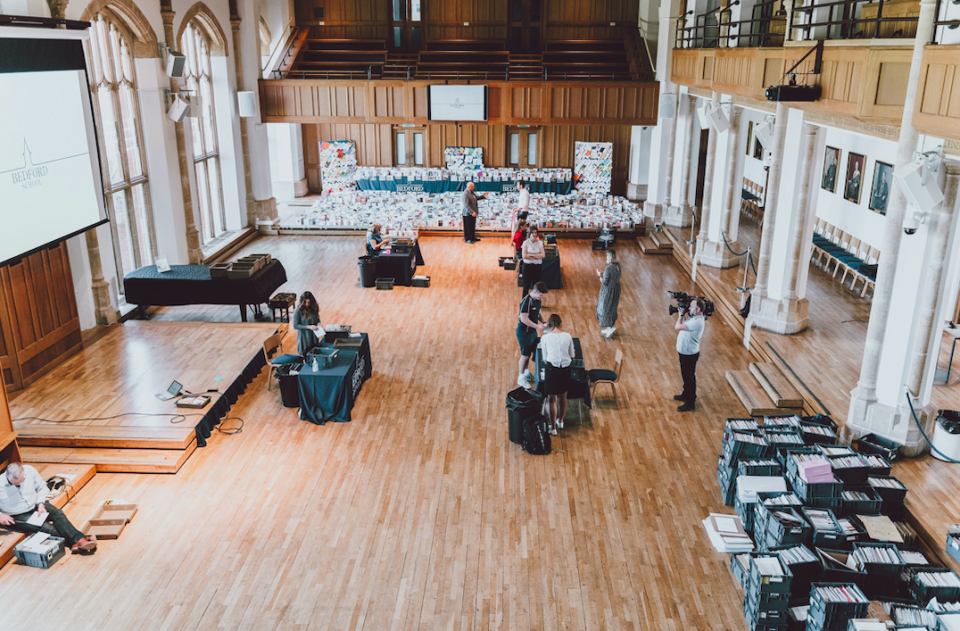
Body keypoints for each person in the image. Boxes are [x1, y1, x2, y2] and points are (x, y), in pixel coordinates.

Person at [0, 462, 97, 554]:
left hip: (36, 504)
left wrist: (41, 504)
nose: (19, 485)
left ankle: (78, 541)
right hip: (16, 515)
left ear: (24, 471)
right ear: (6, 476)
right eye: (15, 483)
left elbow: (42, 488)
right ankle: (78, 541)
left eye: (21, 481)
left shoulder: (29, 470)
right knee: (45, 526)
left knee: (58, 514)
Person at [540, 314, 575, 436]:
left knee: (551, 399)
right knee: (563, 397)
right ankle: (561, 421)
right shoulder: (568, 336)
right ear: (560, 323)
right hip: (565, 369)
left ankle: (553, 428)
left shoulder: (545, 338)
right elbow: (572, 355)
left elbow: (545, 358)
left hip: (552, 369)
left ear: (549, 324)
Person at [674, 298, 707, 412]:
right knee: (685, 375)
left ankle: (690, 401)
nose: (689, 308)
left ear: (698, 309)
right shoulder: (694, 318)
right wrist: (683, 316)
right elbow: (684, 324)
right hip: (685, 352)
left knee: (689, 377)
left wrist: (680, 315)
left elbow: (678, 327)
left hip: (689, 354)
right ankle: (685, 394)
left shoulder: (697, 322)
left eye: (691, 307)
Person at [517, 281, 548, 388]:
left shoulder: (537, 300)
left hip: (532, 332)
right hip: (523, 332)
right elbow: (524, 319)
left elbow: (538, 313)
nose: (541, 297)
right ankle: (521, 378)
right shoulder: (526, 302)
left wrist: (543, 321)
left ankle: (526, 373)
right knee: (525, 356)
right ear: (534, 291)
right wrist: (538, 327)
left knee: (529, 354)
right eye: (540, 294)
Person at [596, 249, 622, 339]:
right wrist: (605, 273)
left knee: (605, 308)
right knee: (612, 307)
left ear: (610, 257)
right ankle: (609, 326)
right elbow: (613, 277)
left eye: (607, 256)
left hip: (608, 291)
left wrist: (599, 275)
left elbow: (604, 282)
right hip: (616, 289)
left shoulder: (609, 268)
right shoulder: (618, 266)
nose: (606, 258)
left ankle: (610, 327)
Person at [293, 291, 322, 357]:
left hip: (313, 335)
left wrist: (319, 323)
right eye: (305, 302)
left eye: (309, 302)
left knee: (315, 353)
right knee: (306, 355)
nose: (307, 304)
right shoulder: (298, 310)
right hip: (304, 337)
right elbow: (295, 326)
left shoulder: (313, 308)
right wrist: (309, 327)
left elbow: (317, 318)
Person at [521, 225, 545, 299]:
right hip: (528, 267)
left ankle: (535, 301)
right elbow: (524, 256)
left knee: (536, 286)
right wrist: (537, 255)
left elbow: (543, 255)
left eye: (535, 232)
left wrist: (531, 255)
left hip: (537, 267)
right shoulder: (526, 243)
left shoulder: (539, 243)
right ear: (530, 234)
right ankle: (524, 302)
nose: (534, 234)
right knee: (526, 286)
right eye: (533, 233)